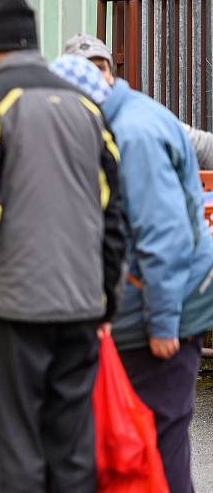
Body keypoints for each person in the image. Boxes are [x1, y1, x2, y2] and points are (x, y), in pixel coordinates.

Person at [0, 0, 125, 492]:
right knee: (71, 449)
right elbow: (114, 213)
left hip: (14, 304)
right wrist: (105, 295)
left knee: (15, 448)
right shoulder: (86, 108)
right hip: (82, 303)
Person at [51, 50, 213, 493]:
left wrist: (163, 324)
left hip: (162, 310)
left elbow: (163, 236)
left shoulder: (130, 136)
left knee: (158, 436)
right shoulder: (129, 116)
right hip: (158, 302)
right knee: (156, 432)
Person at [64, 33, 213, 170]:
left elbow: (203, 146)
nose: (93, 76)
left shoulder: (146, 114)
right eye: (86, 69)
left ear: (111, 74)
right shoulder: (60, 123)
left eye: (100, 68)